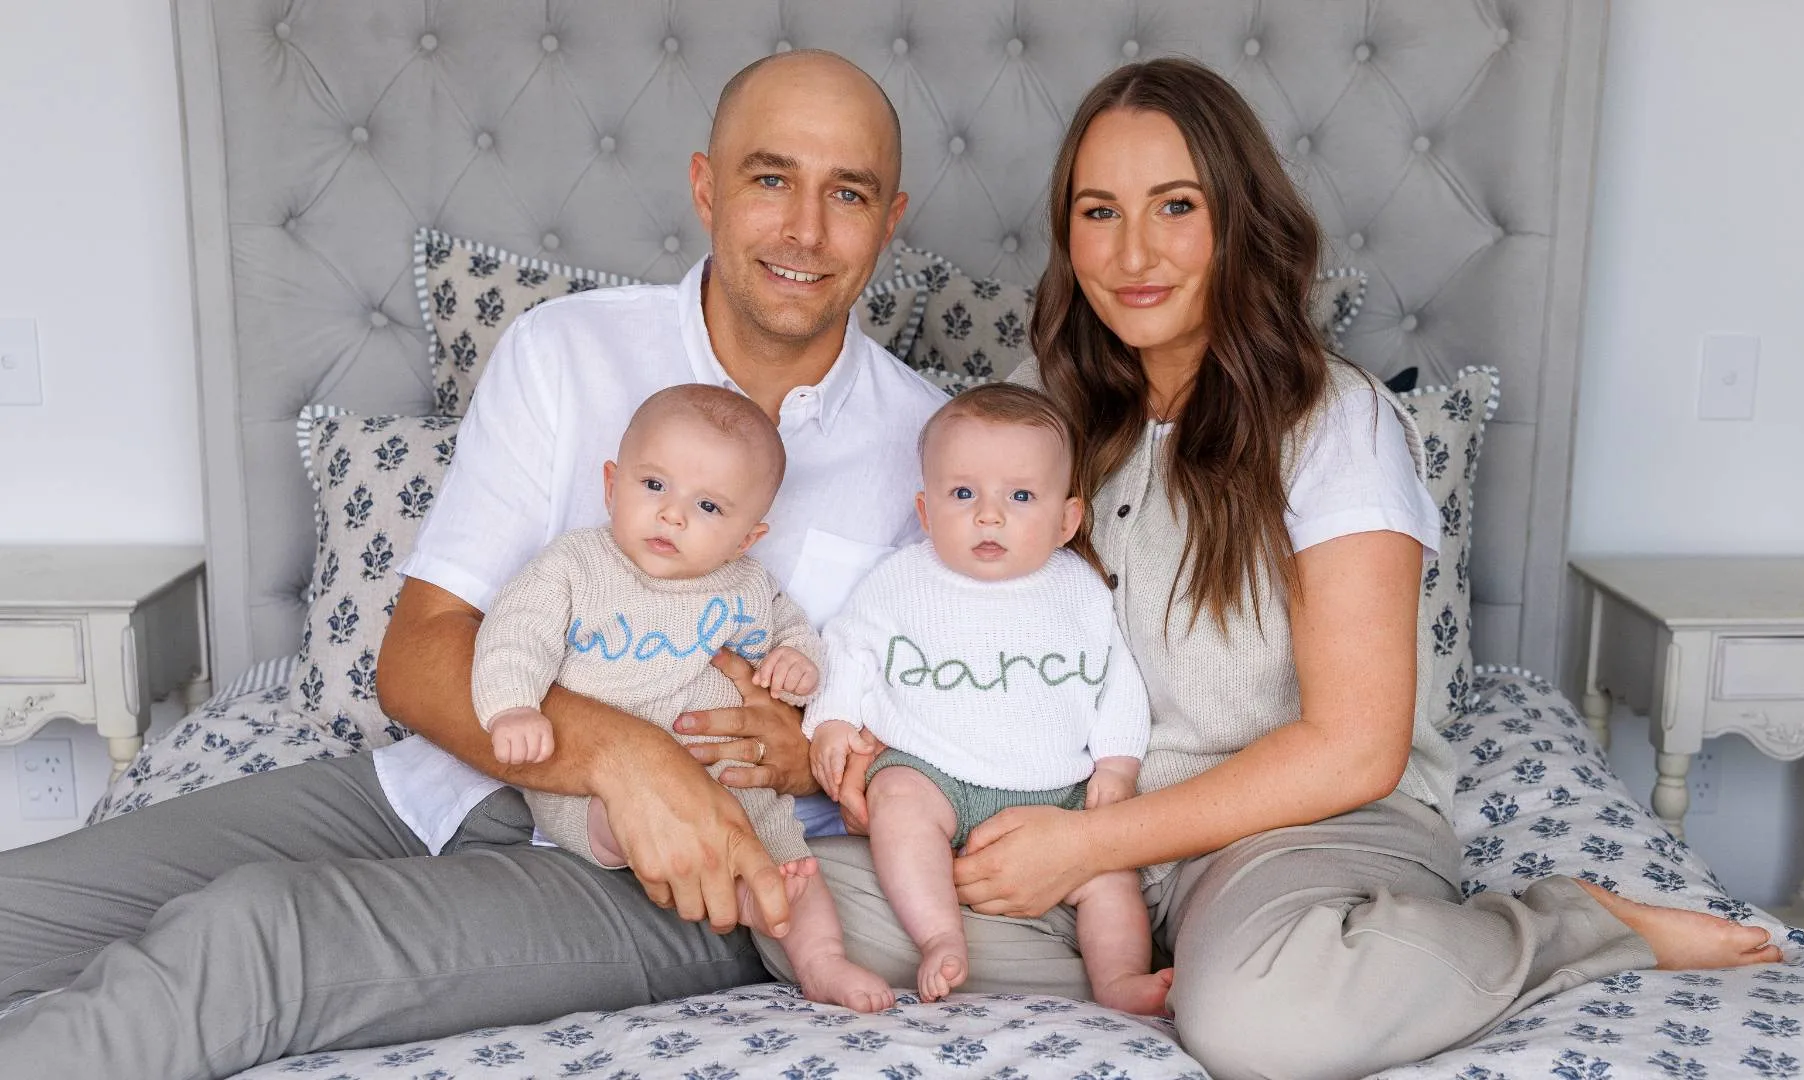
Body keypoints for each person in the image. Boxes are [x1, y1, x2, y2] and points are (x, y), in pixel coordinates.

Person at [808, 58, 1785, 1080]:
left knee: (1263, 1024)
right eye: (1099, 212)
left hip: (1293, 825)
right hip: (1079, 829)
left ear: (1240, 218)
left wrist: (1090, 848)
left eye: (1175, 206)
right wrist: (871, 751)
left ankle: (1561, 929)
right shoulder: (1040, 403)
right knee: (798, 897)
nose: (1132, 250)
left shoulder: (1335, 423)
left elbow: (1355, 746)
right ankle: (1153, 971)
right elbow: (949, 615)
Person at [0, 49, 942, 1078]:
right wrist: (632, 755)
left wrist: (812, 756)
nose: (805, 230)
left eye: (846, 193)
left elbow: (978, 738)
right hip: (445, 780)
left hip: (681, 879)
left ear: (889, 221)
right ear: (705, 187)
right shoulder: (564, 352)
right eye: (770, 179)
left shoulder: (933, 451)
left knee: (250, 937)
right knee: (23, 914)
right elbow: (417, 659)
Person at [472, 384, 892, 1012]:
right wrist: (512, 707)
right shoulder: (577, 566)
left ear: (749, 537)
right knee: (624, 826)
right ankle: (705, 879)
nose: (673, 515)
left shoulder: (746, 587)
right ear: (612, 486)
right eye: (653, 487)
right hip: (601, 785)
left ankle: (820, 961)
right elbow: (516, 633)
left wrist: (797, 662)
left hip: (736, 783)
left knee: (795, 869)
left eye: (708, 506)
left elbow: (792, 630)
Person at [806, 384, 1169, 1012]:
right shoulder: (901, 582)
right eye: (963, 494)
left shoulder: (1082, 592)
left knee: (1110, 874)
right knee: (896, 806)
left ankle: (1120, 980)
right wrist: (834, 719)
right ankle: (940, 935)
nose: (989, 516)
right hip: (932, 772)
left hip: (1058, 790)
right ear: (925, 511)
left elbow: (1120, 679)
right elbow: (849, 648)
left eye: (1021, 496)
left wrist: (1116, 762)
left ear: (1066, 521)